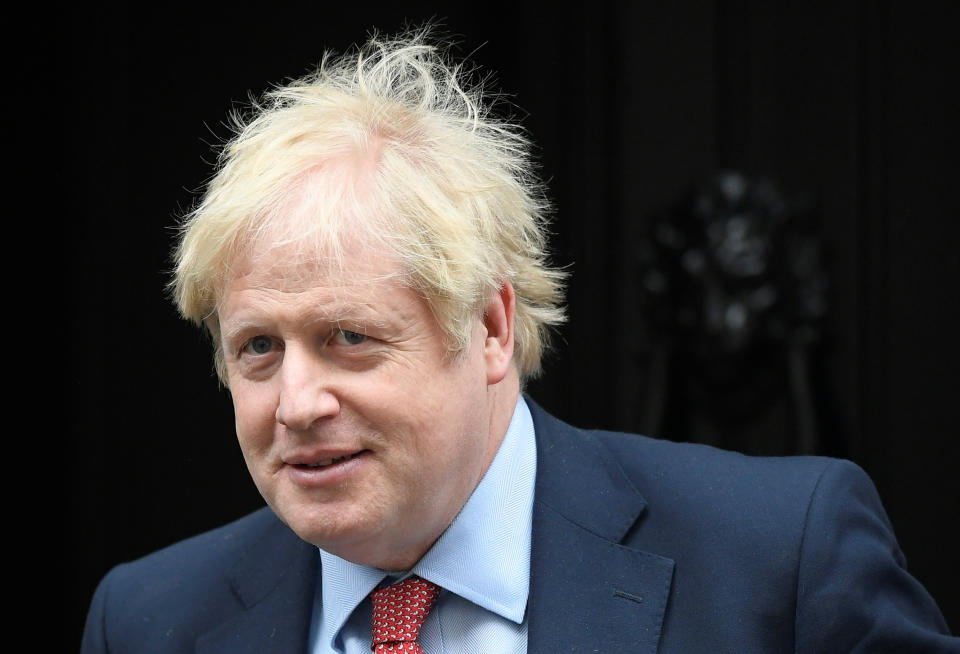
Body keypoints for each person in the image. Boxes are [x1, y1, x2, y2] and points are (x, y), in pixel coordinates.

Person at [81, 30, 956, 653]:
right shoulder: (150, 618)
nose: (297, 404)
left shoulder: (779, 562)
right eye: (259, 349)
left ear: (492, 328)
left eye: (348, 337)